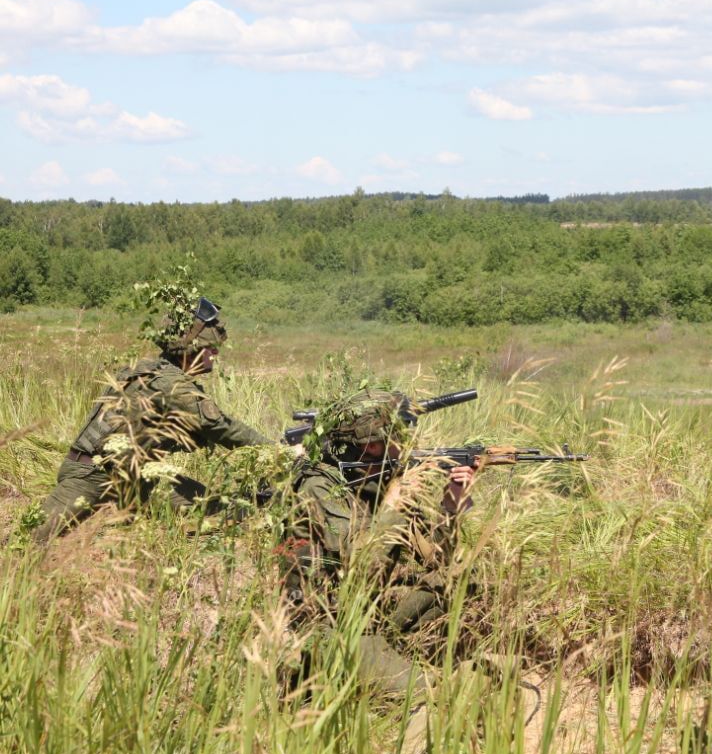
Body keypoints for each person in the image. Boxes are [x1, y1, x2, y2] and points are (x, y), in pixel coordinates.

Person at [277, 387, 478, 695]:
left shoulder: (377, 479)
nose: (408, 445)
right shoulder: (318, 487)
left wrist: (450, 507)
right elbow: (360, 567)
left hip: (366, 611)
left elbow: (435, 558)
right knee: (429, 693)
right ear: (371, 445)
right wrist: (393, 507)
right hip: (325, 627)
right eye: (399, 437)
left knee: (458, 578)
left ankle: (399, 656)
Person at [33, 296, 272, 543]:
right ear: (190, 348)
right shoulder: (168, 382)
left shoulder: (154, 370)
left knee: (217, 508)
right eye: (209, 350)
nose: (214, 355)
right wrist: (277, 452)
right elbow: (219, 426)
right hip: (92, 476)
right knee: (29, 541)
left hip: (139, 479)